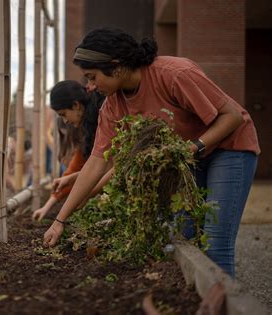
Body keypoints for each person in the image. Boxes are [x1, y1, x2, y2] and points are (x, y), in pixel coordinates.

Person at [43, 28, 260, 278]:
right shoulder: (112, 106)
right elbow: (95, 163)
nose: (90, 87)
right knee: (183, 234)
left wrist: (193, 147)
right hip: (187, 155)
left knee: (215, 242)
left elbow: (231, 116)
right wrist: (60, 221)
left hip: (229, 147)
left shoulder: (175, 74)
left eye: (92, 77)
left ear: (117, 66)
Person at [32, 80, 104, 221]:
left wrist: (85, 194)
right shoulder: (88, 128)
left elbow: (110, 167)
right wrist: (46, 207)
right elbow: (74, 169)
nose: (65, 121)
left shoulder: (101, 118)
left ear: (76, 105)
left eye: (63, 114)